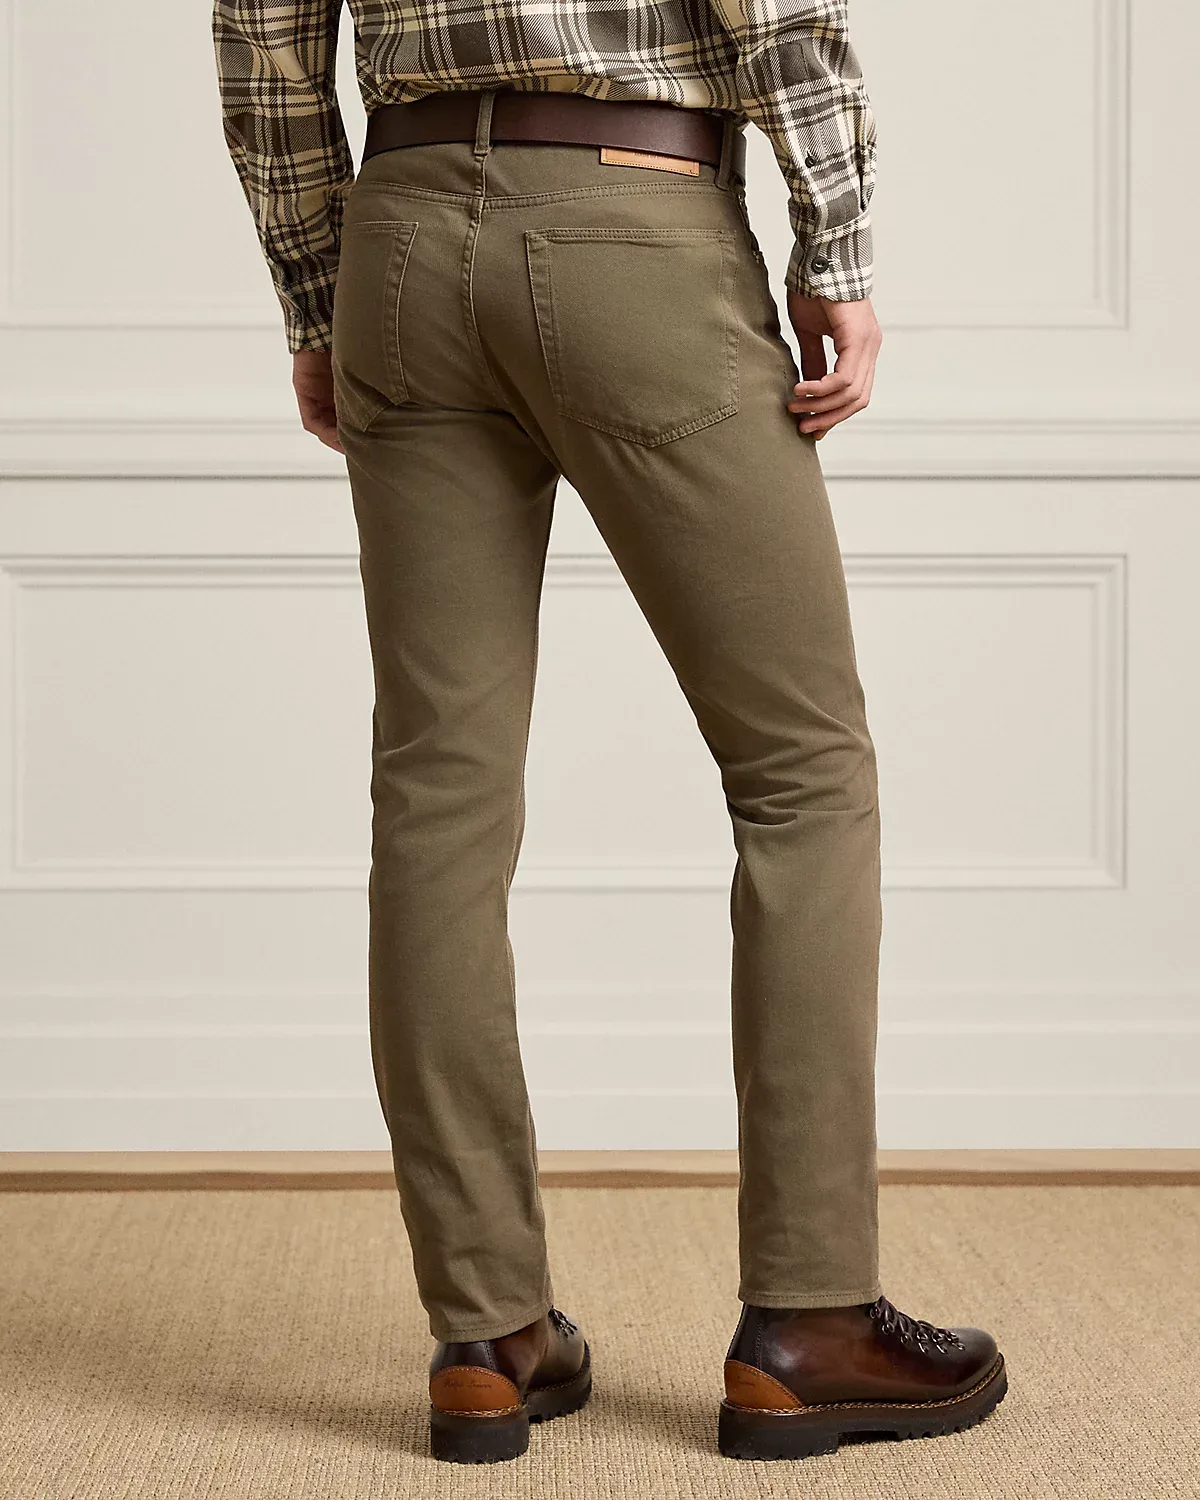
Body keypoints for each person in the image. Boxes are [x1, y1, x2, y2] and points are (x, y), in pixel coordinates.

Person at [213, 0, 1007, 1466]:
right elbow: (777, 12)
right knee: (801, 777)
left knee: (438, 795)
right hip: (633, 221)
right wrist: (837, 251)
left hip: (402, 240)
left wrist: (320, 298)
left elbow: (263, 43)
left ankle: (488, 1335)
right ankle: (810, 1322)